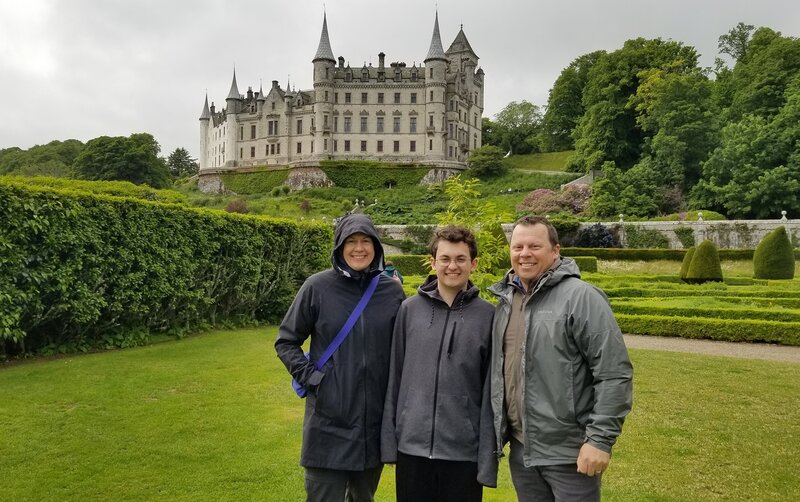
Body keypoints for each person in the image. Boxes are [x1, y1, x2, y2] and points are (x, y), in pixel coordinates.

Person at [488, 215, 633, 502]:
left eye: (534, 246)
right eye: (517, 247)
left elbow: (613, 373)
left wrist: (599, 441)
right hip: (523, 450)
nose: (524, 254)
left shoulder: (581, 298)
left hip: (570, 453)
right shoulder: (506, 301)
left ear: (555, 251)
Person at [275, 213, 405, 502]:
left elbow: (403, 349)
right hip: (327, 424)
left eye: (366, 241)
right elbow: (286, 341)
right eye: (351, 241)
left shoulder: (391, 292)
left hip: (371, 426)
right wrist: (314, 379)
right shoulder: (317, 287)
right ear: (339, 246)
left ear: (376, 247)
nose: (359, 248)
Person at [381, 225, 497, 502]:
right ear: (433, 262)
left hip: (463, 451)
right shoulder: (409, 310)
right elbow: (394, 377)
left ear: (474, 264)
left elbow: (493, 389)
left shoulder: (489, 317)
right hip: (412, 449)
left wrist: (486, 452)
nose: (452, 266)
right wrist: (389, 441)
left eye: (460, 259)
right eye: (445, 259)